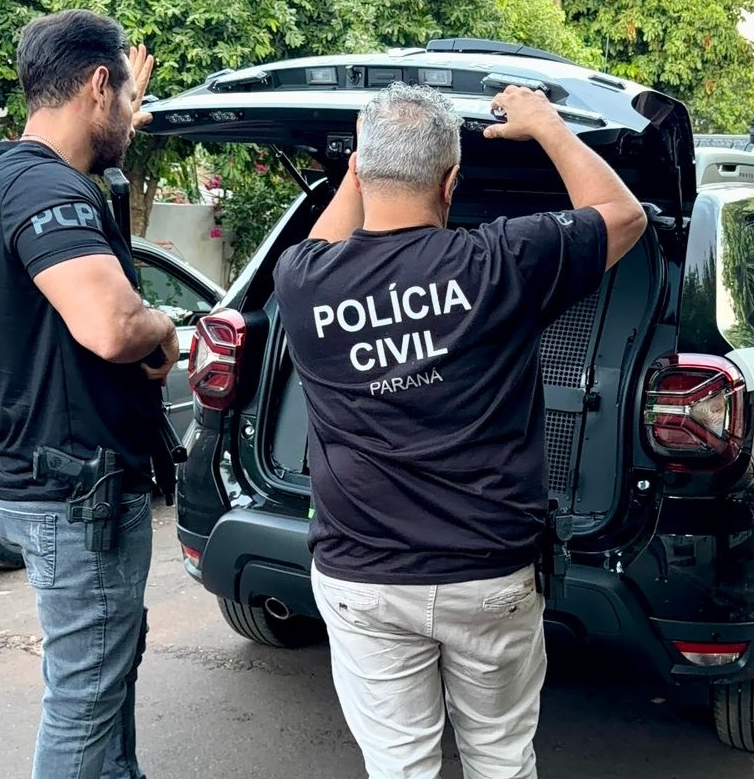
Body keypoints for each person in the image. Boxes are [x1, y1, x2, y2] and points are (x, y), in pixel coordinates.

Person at [272, 81, 647, 778]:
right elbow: (622, 215)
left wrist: (360, 165)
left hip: (362, 576)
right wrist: (546, 125)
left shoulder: (301, 279)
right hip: (488, 572)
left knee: (399, 765)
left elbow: (327, 237)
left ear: (360, 171)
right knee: (501, 757)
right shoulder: (501, 260)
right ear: (452, 183)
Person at [0, 9, 176, 779]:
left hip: (51, 478)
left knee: (107, 668)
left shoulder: (5, 172)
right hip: (75, 493)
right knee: (85, 697)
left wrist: (125, 115)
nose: (129, 111)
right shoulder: (42, 186)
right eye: (120, 95)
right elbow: (112, 325)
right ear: (96, 85)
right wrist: (165, 327)